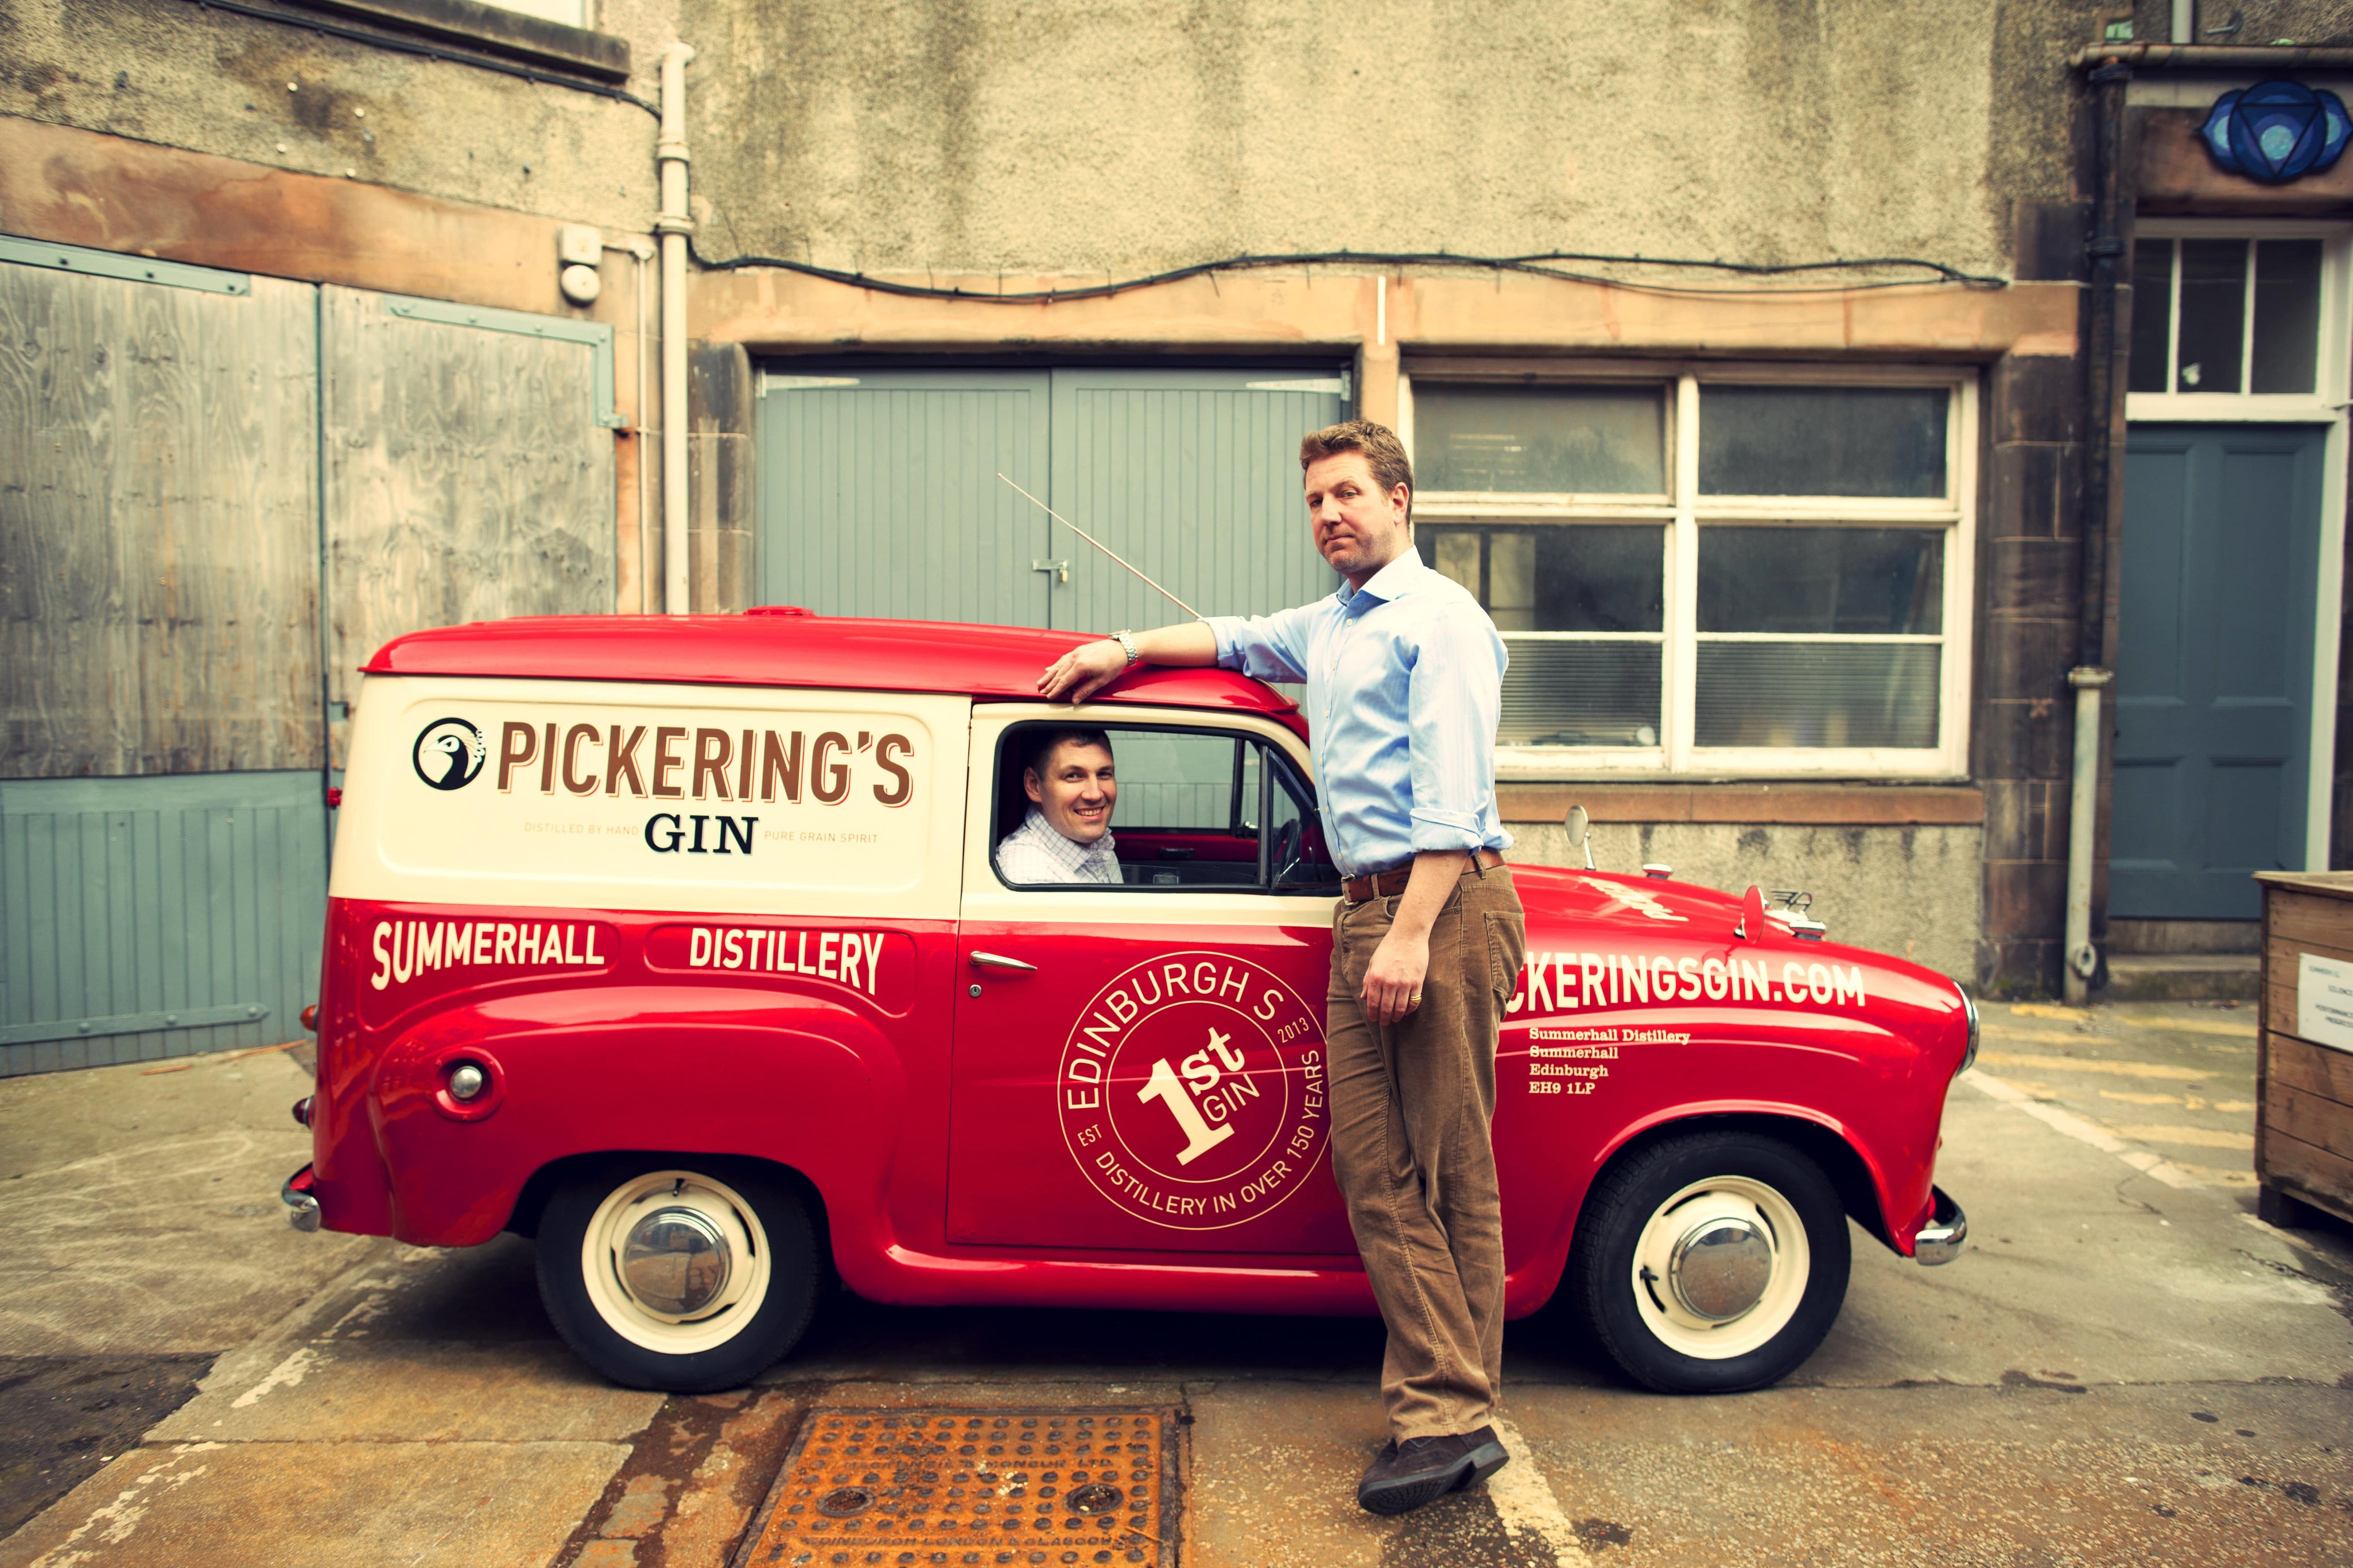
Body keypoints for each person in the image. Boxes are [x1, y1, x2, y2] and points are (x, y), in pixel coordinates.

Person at [1036, 420, 1524, 1516]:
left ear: (1402, 498)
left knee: (1449, 1165)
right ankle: (1444, 1400)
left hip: (1437, 904)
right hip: (1370, 911)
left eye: (1348, 494)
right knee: (1371, 1165)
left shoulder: (1437, 620)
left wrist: (1409, 930)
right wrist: (1125, 646)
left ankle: (1448, 1411)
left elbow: (1453, 794)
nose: (1329, 516)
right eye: (1314, 501)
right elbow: (1239, 637)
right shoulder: (1337, 621)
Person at [996, 727, 1123, 885]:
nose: (1095, 794)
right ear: (1034, 786)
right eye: (1073, 776)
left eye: (1104, 774)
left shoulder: (1099, 845)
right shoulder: (1028, 876)